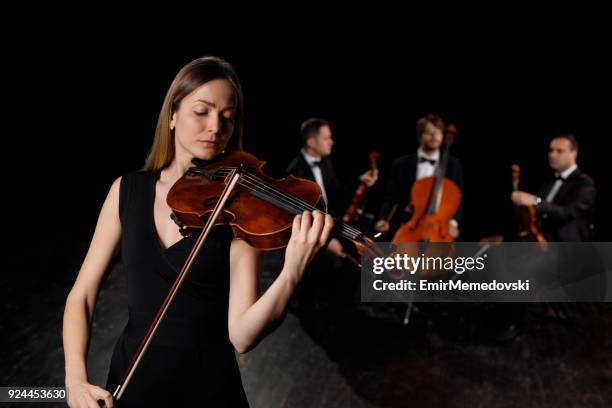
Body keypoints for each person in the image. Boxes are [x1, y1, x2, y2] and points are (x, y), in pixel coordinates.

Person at [62, 56, 333, 407]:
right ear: (172, 115)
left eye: (227, 116)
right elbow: (81, 294)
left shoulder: (238, 210)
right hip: (132, 386)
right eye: (201, 111)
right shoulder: (126, 190)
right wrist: (75, 379)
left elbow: (242, 335)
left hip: (209, 392)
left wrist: (292, 273)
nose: (215, 126)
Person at [286, 117, 378, 257]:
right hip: (310, 238)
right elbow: (298, 215)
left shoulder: (326, 163)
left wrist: (360, 180)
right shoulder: (294, 171)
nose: (332, 142)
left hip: (331, 227)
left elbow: (337, 194)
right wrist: (325, 240)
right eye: (326, 138)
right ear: (311, 142)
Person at [375, 114, 464, 240]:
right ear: (420, 136)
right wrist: (383, 219)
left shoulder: (453, 165)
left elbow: (457, 199)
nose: (434, 136)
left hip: (439, 229)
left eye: (438, 132)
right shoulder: (400, 164)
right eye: (429, 132)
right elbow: (390, 197)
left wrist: (453, 223)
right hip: (406, 224)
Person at [511, 134, 596, 242]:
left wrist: (535, 201)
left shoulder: (584, 183)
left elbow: (568, 213)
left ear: (573, 153)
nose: (552, 155)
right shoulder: (548, 182)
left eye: (559, 151)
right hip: (544, 245)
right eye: (551, 150)